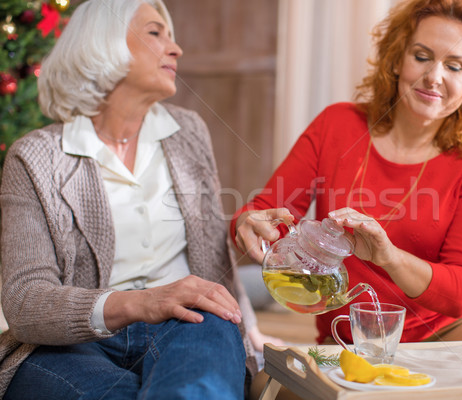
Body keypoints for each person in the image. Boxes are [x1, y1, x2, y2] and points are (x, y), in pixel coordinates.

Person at [0, 0, 273, 398]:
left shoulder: (188, 132)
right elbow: (25, 302)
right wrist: (142, 303)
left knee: (202, 364)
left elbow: (216, 261)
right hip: (70, 344)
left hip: (189, 327)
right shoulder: (36, 157)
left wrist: (249, 331)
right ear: (103, 43)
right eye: (155, 33)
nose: (176, 48)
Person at [233, 0, 462, 358]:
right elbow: (263, 212)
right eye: (422, 56)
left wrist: (389, 257)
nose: (434, 77)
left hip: (447, 335)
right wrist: (248, 222)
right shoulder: (337, 125)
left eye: (454, 66)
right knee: (268, 390)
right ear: (397, 59)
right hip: (352, 339)